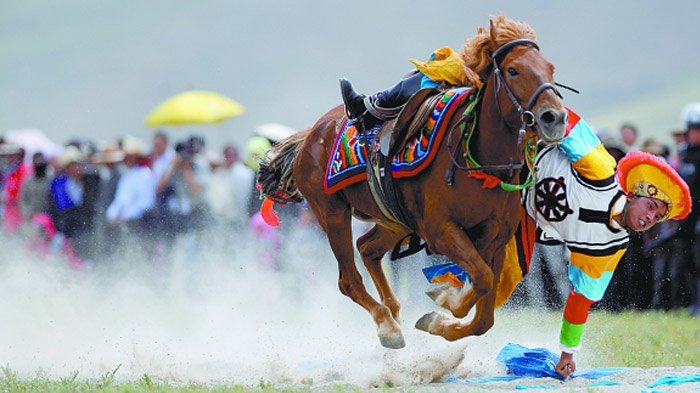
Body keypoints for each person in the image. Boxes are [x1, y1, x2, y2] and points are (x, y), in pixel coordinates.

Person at [521, 108, 691, 376]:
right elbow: (568, 123)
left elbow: (581, 298)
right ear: (634, 194)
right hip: (517, 162)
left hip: (521, 222)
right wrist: (527, 114)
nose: (649, 217)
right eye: (649, 206)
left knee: (504, 278)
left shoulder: (611, 249)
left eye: (657, 216)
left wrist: (567, 354)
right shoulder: (600, 170)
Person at [677, 102, 700, 315]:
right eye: (693, 129)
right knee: (689, 262)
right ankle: (693, 303)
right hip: (686, 219)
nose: (695, 133)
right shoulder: (684, 155)